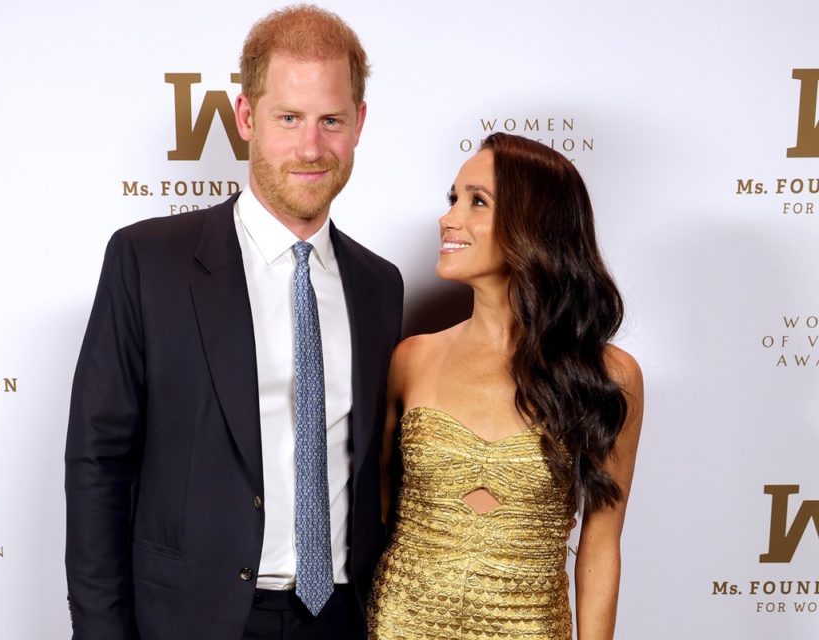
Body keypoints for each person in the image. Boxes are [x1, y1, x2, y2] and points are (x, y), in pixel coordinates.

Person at [65, 6, 403, 639]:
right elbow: (98, 464)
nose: (311, 146)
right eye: (289, 118)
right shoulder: (149, 261)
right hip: (191, 618)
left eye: (331, 120)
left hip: (340, 617)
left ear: (359, 124)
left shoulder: (380, 285)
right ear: (247, 118)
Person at [368, 132, 644, 640]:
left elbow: (602, 544)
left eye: (477, 202)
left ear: (534, 225)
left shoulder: (609, 376)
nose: (448, 218)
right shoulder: (411, 359)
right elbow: (374, 519)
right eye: (452, 198)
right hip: (400, 625)